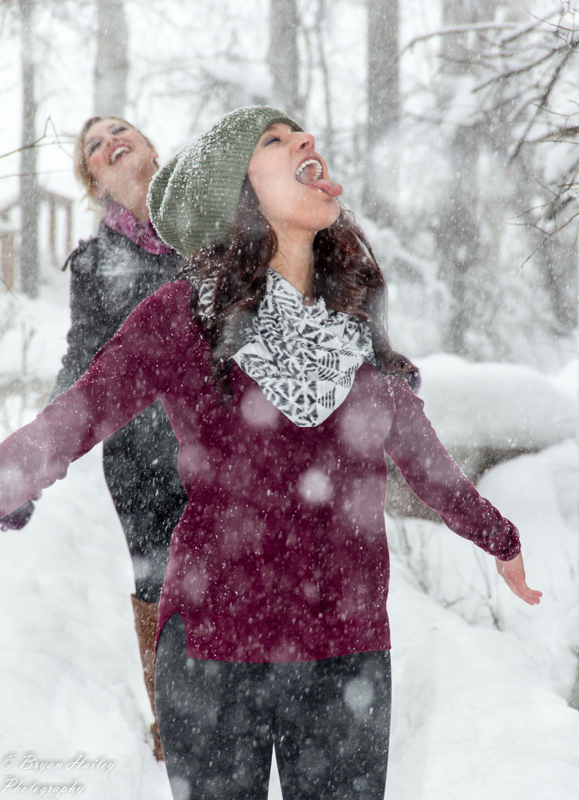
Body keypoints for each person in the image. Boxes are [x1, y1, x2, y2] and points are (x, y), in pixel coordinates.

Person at [0, 106, 542, 799]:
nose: (305, 141)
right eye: (276, 141)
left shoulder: (354, 330)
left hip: (348, 654)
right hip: (213, 651)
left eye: (301, 133)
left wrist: (498, 535)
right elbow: (72, 419)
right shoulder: (182, 316)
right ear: (236, 191)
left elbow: (422, 458)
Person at [0, 115, 188, 760]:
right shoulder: (97, 261)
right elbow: (81, 366)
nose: (108, 138)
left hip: (223, 442)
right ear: (94, 178)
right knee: (159, 586)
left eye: (119, 128)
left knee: (235, 572)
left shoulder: (209, 225)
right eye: (93, 145)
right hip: (140, 456)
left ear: (149, 144)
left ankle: (245, 710)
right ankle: (178, 727)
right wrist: (24, 474)